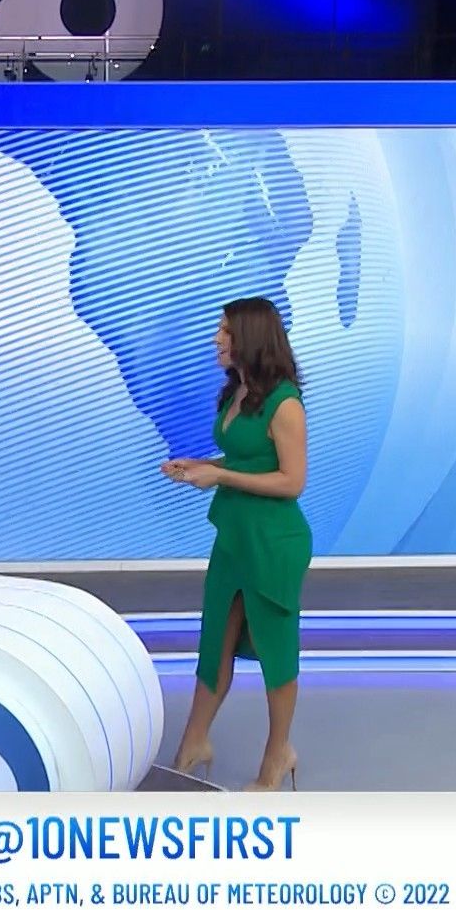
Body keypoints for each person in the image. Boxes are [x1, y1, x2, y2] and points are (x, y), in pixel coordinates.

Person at [160, 297, 312, 791]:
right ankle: (194, 743)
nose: (217, 339)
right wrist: (201, 466)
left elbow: (292, 481)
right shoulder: (236, 393)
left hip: (273, 544)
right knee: (215, 642)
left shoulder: (284, 403)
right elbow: (246, 457)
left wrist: (220, 476)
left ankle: (278, 755)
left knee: (275, 649)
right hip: (234, 538)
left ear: (251, 337)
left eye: (226, 331)